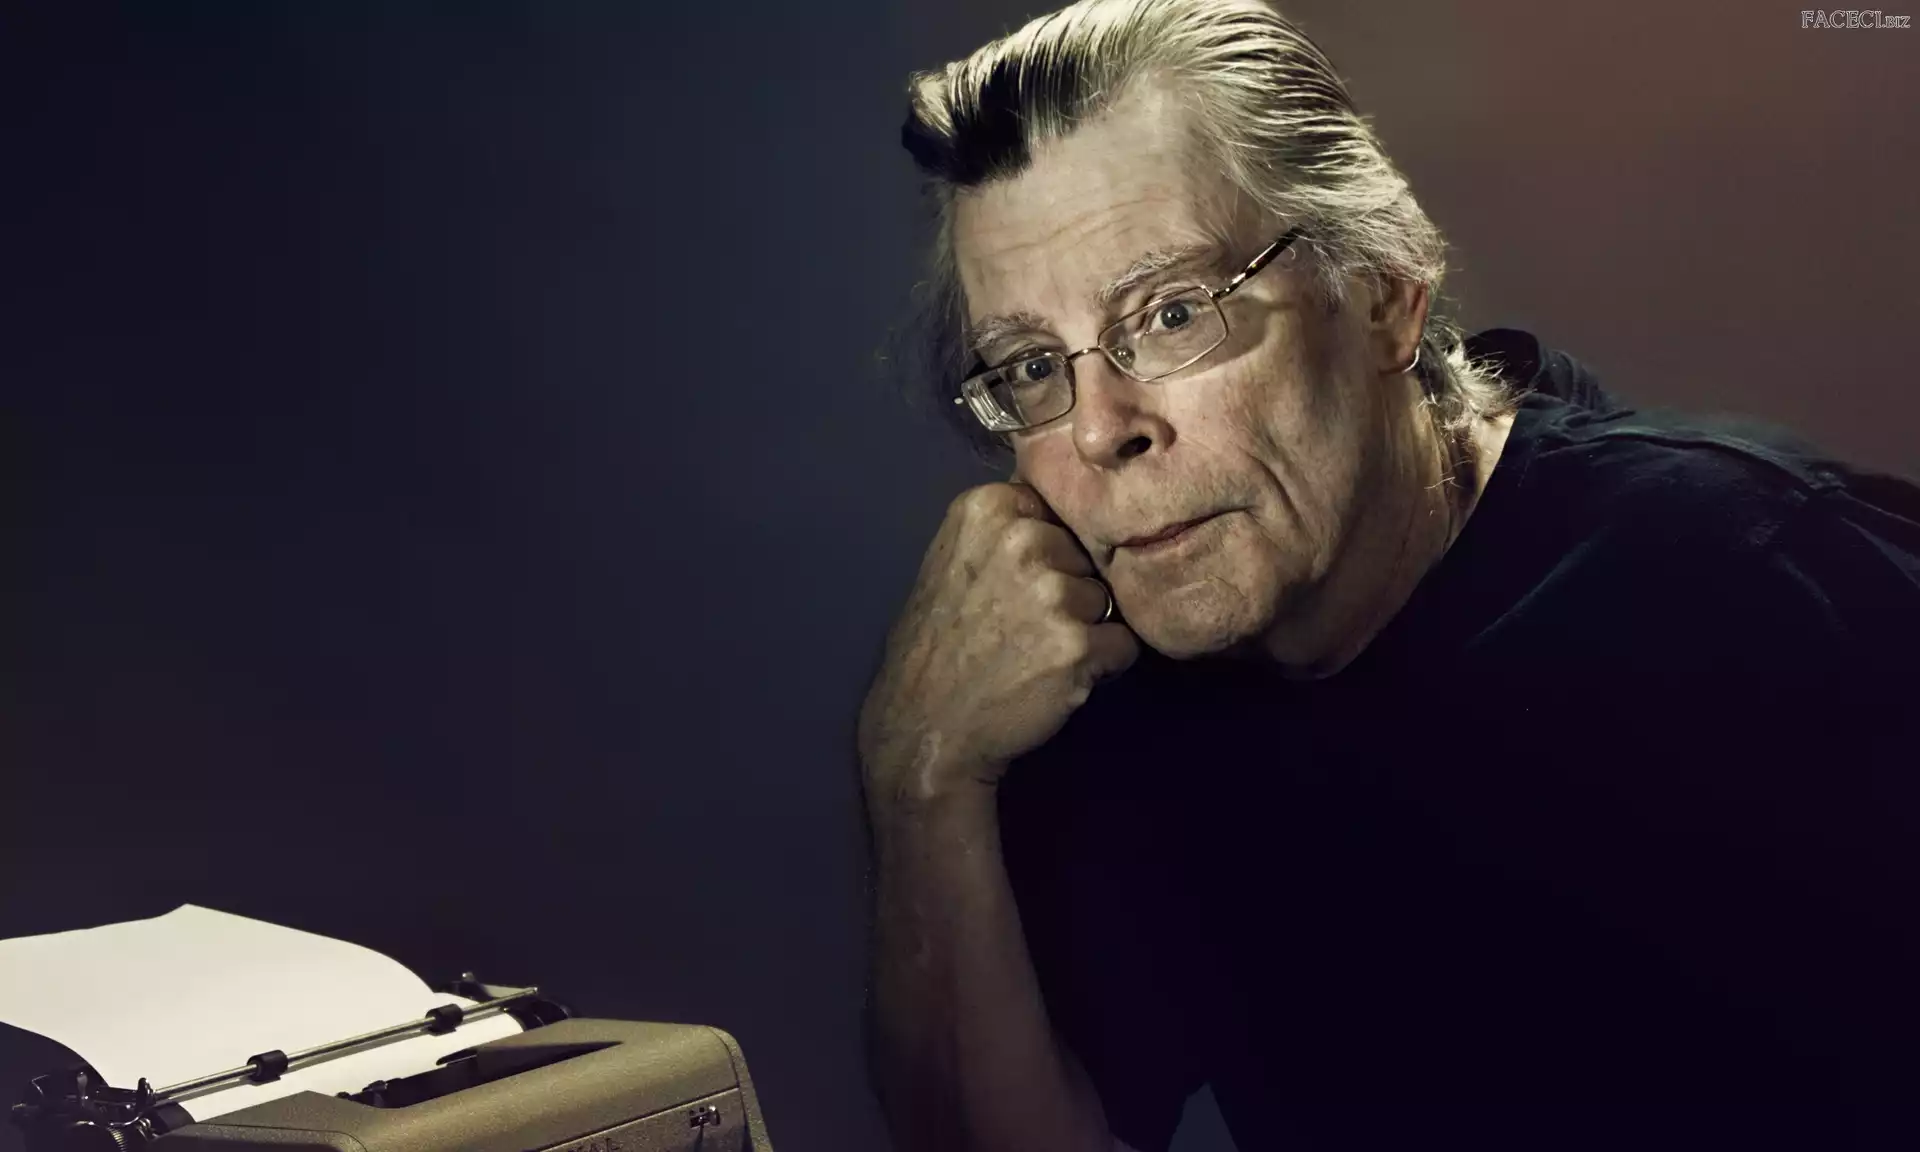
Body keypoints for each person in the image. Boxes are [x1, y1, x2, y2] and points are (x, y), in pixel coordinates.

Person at [854, 1, 1920, 1149]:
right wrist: (919, 771)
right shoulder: (1113, 682)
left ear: (1384, 294)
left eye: (1171, 313)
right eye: (1028, 366)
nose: (1102, 429)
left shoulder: (1766, 579)